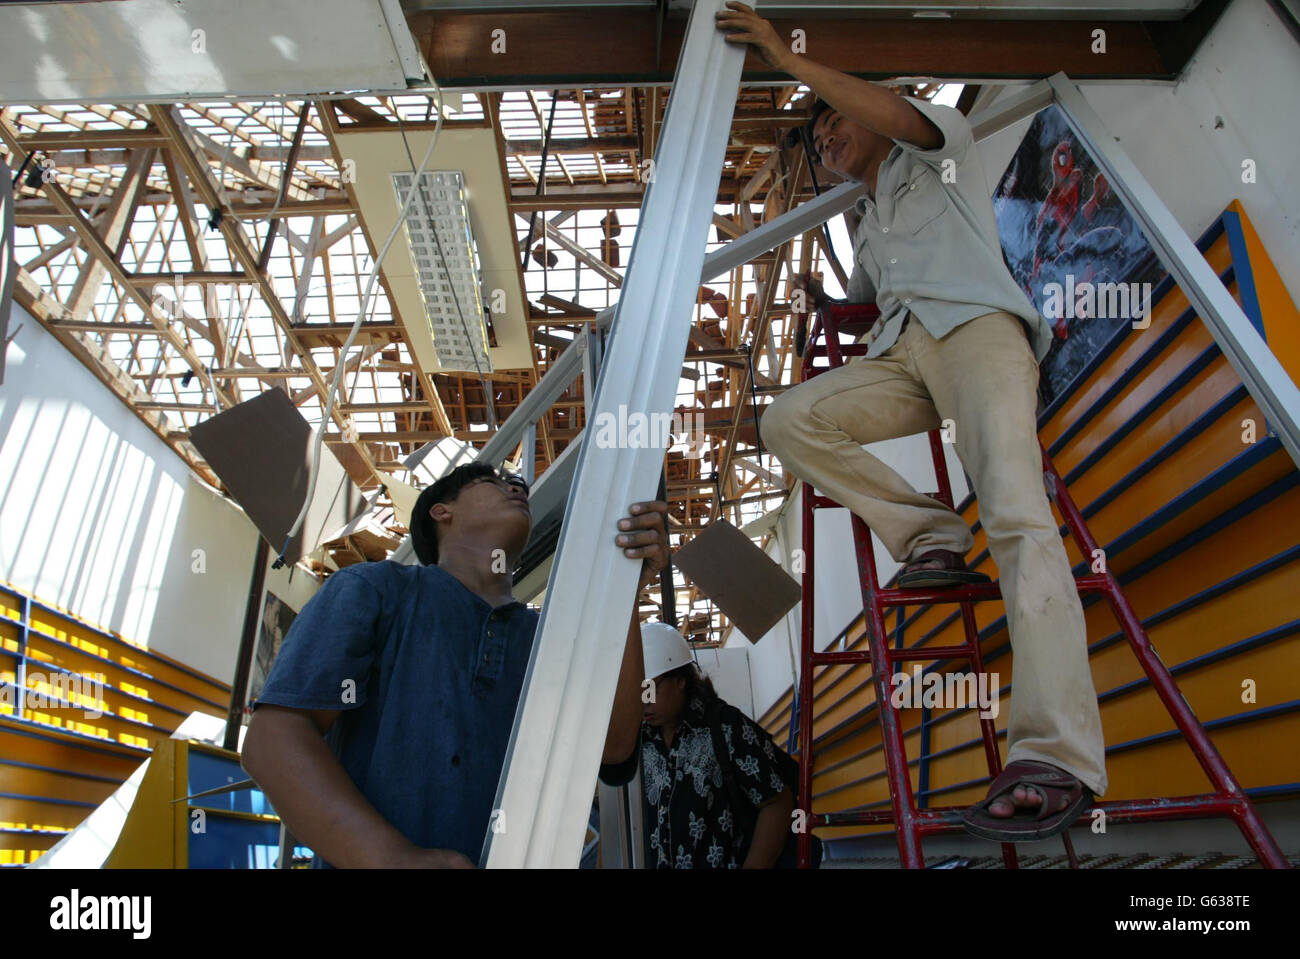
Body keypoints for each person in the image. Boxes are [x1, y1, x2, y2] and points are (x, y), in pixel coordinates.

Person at [717, 1, 1105, 842]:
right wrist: (822, 305)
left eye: (832, 125)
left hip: (978, 335)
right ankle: (929, 533)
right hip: (907, 360)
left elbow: (890, 114)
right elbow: (861, 301)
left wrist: (789, 59)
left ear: (868, 109)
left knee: (1015, 512)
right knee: (787, 420)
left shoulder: (938, 153)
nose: (826, 140)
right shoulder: (866, 224)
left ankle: (1058, 752)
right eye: (816, 137)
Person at [241, 462, 669, 867]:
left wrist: (623, 589)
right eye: (494, 481)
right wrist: (391, 859)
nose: (517, 487)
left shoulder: (549, 636)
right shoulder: (377, 589)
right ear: (441, 511)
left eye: (519, 485)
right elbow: (273, 741)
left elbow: (613, 750)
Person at [599, 623, 798, 869]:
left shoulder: (726, 728)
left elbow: (777, 803)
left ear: (680, 680)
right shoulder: (637, 742)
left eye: (649, 688)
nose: (643, 702)